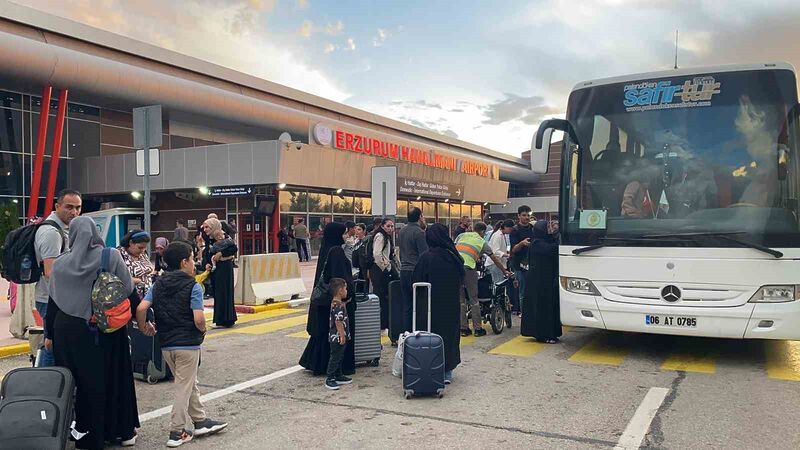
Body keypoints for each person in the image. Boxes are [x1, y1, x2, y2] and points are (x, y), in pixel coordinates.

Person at [46, 216, 139, 449]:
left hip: (66, 330)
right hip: (104, 328)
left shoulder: (60, 263)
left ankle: (83, 434)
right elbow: (127, 290)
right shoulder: (109, 255)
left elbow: (53, 302)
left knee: (78, 384)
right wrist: (144, 319)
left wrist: (49, 335)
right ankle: (120, 431)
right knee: (111, 379)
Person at [136, 241, 228, 447]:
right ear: (184, 261)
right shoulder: (193, 285)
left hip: (167, 344)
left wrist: (145, 327)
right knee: (183, 387)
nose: (194, 262)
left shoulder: (158, 284)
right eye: (191, 258)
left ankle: (200, 421)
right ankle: (177, 432)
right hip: (187, 344)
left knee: (188, 382)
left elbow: (142, 308)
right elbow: (198, 318)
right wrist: (203, 330)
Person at [299, 222, 356, 376]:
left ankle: (319, 364)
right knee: (338, 335)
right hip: (337, 301)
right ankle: (336, 371)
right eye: (343, 233)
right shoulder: (337, 251)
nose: (346, 236)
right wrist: (348, 293)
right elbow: (339, 278)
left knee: (325, 335)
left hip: (324, 304)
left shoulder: (327, 248)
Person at [412, 223, 464, 384]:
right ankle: (447, 369)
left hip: (429, 306)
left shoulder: (427, 257)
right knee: (449, 336)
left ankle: (430, 367)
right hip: (450, 304)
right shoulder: (454, 256)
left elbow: (416, 281)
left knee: (430, 335)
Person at [35, 188, 80, 367]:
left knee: (56, 345)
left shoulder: (62, 229)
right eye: (69, 207)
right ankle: (46, 388)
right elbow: (50, 273)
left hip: (55, 299)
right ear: (57, 206)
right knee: (52, 345)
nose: (74, 212)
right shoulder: (52, 233)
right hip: (51, 299)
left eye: (78, 208)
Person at [455, 222, 511, 337]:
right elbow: (494, 258)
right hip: (469, 268)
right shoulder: (482, 241)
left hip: (455, 267)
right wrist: (504, 270)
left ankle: (463, 329)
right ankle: (478, 329)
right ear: (482, 232)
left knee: (461, 300)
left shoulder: (462, 236)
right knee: (474, 299)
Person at [521, 220, 561, 343]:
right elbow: (550, 250)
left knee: (549, 306)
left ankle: (551, 333)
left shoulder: (546, 241)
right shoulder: (537, 243)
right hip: (538, 281)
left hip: (547, 280)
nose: (549, 229)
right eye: (547, 227)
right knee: (541, 307)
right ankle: (543, 334)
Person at [397, 207, 428, 335]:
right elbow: (424, 255)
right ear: (420, 217)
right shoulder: (419, 232)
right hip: (416, 271)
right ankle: (419, 332)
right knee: (420, 304)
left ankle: (407, 332)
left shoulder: (402, 231)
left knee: (407, 305)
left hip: (403, 271)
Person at [205, 220, 237, 328]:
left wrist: (221, 253)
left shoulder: (222, 236)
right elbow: (207, 253)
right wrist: (207, 263)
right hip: (216, 268)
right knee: (218, 293)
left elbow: (233, 248)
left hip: (225, 268)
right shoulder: (209, 239)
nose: (205, 230)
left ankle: (226, 320)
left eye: (207, 227)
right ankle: (221, 320)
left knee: (224, 292)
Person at [324, 277, 353, 390]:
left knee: (340, 355)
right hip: (337, 337)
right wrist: (342, 335)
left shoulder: (336, 304)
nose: (347, 291)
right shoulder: (338, 306)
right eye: (345, 289)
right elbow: (338, 321)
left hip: (336, 336)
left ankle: (338, 375)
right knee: (335, 357)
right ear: (340, 290)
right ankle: (330, 377)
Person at [370, 218, 399, 330]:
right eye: (388, 226)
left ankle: (383, 322)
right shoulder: (380, 236)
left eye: (392, 226)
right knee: (381, 297)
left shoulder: (386, 237)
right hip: (379, 271)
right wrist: (385, 266)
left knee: (384, 297)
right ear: (382, 226)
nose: (391, 228)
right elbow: (377, 254)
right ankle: (382, 323)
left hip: (380, 270)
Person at [509, 205, 534, 316]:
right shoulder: (515, 230)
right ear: (519, 216)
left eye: (528, 215)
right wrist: (521, 243)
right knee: (522, 290)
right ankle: (524, 314)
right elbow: (513, 249)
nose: (526, 217)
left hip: (532, 263)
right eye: (524, 215)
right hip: (519, 264)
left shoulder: (533, 228)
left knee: (532, 290)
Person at [118, 230, 155, 300]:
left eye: (145, 247)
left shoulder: (143, 254)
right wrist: (137, 281)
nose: (143, 250)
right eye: (140, 247)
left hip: (147, 298)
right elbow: (116, 278)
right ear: (130, 243)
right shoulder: (119, 255)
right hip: (129, 297)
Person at [486, 219, 514, 284]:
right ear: (505, 227)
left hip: (497, 263)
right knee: (498, 283)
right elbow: (495, 251)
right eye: (510, 229)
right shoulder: (498, 235)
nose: (510, 231)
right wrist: (507, 255)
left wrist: (507, 252)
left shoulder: (501, 235)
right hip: (494, 264)